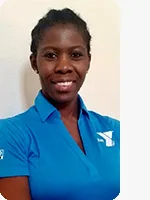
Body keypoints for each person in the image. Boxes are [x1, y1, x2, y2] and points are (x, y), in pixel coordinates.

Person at [0, 8, 120, 200]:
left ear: (88, 61)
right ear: (34, 63)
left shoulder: (116, 130)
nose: (64, 66)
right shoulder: (10, 133)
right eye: (51, 55)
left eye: (75, 55)